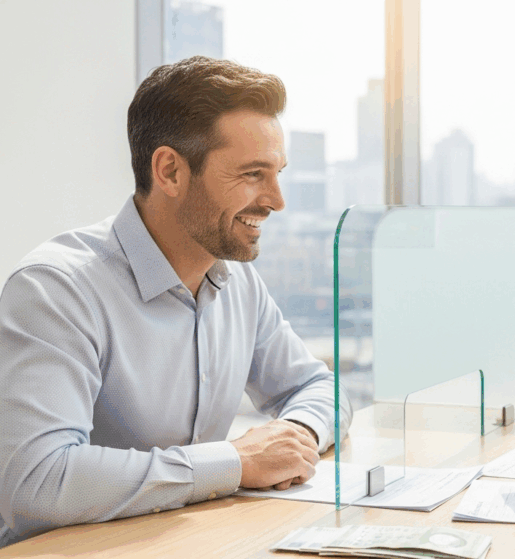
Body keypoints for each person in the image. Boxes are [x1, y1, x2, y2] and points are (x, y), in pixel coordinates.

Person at [0, 56, 353, 548]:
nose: (276, 200)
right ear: (169, 170)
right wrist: (235, 462)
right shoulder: (56, 290)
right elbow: (36, 482)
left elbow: (318, 387)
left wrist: (294, 435)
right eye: (253, 174)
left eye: (278, 174)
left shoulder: (238, 283)